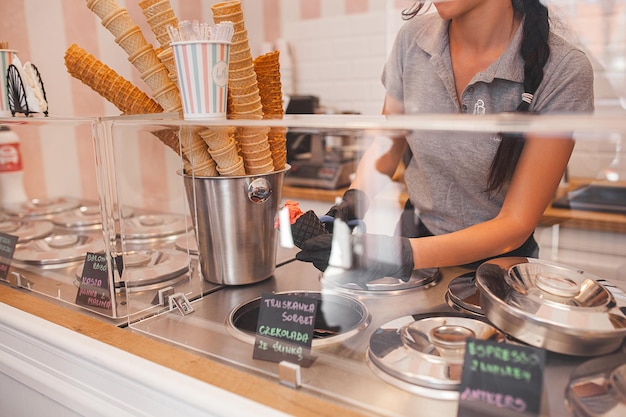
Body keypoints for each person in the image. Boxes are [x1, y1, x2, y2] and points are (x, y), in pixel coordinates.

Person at [295, 0, 594, 285]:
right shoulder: (413, 40)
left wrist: (395, 255)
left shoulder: (564, 69)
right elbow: (388, 143)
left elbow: (515, 224)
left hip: (498, 263)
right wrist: (354, 200)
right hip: (417, 238)